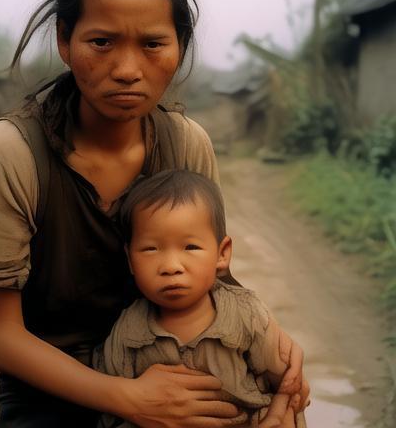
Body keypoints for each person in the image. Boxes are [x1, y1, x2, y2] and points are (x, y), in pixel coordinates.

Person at [0, 0, 306, 427]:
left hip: (182, 371)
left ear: (179, 46)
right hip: (52, 393)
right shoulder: (9, 155)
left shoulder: (185, 144)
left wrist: (282, 368)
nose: (128, 70)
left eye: (153, 43)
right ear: (65, 42)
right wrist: (129, 399)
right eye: (101, 42)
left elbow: (213, 283)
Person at [94, 170, 308, 428]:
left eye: (190, 247)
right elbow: (112, 412)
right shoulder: (127, 333)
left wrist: (275, 416)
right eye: (151, 248)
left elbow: (289, 384)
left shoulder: (246, 315)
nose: (171, 266)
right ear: (130, 259)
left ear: (222, 254)